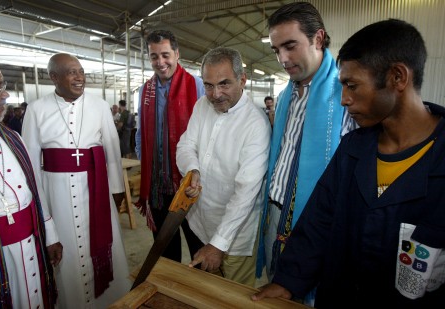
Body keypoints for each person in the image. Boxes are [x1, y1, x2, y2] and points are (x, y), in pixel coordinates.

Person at [252, 18, 445, 308]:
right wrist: (289, 280)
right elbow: (319, 221)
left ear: (397, 77)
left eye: (352, 85)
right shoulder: (354, 148)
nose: (344, 100)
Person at [256, 2, 356, 291]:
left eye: (290, 46)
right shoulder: (287, 93)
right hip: (274, 212)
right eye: (276, 50)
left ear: (318, 38)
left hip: (315, 222)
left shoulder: (346, 94)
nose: (283, 59)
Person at [21, 53, 131, 308]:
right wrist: (39, 206)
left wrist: (116, 192)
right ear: (53, 77)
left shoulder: (100, 105)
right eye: (71, 72)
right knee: (65, 251)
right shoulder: (36, 109)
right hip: (55, 192)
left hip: (96, 189)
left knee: (103, 244)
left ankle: (108, 299)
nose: (79, 77)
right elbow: (31, 164)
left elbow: (113, 153)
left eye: (81, 71)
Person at [0, 50, 62, 308]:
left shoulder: (12, 138)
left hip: (33, 246)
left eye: (4, 87)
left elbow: (35, 191)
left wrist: (50, 235)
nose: (5, 95)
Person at [177, 47, 271, 287]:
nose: (215, 94)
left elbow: (246, 193)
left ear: (242, 80)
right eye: (208, 85)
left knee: (232, 298)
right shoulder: (201, 106)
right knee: (206, 294)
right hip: (200, 224)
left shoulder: (256, 124)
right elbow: (186, 145)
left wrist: (218, 244)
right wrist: (193, 170)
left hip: (234, 238)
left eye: (224, 84)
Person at [135, 29, 205, 262]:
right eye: (154, 56)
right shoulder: (146, 90)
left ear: (177, 54)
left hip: (189, 184)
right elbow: (140, 132)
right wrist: (147, 164)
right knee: (165, 252)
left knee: (198, 247)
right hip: (157, 188)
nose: (160, 62)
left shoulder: (197, 86)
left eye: (165, 55)